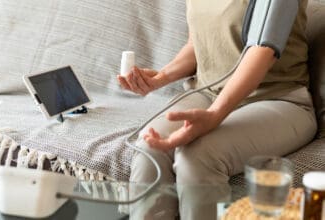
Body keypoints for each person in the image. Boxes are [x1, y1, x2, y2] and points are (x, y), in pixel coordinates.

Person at [117, 0, 317, 219]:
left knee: (197, 155)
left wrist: (215, 114)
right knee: (150, 145)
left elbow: (263, 51)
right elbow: (197, 44)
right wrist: (161, 77)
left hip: (278, 100)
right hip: (208, 93)